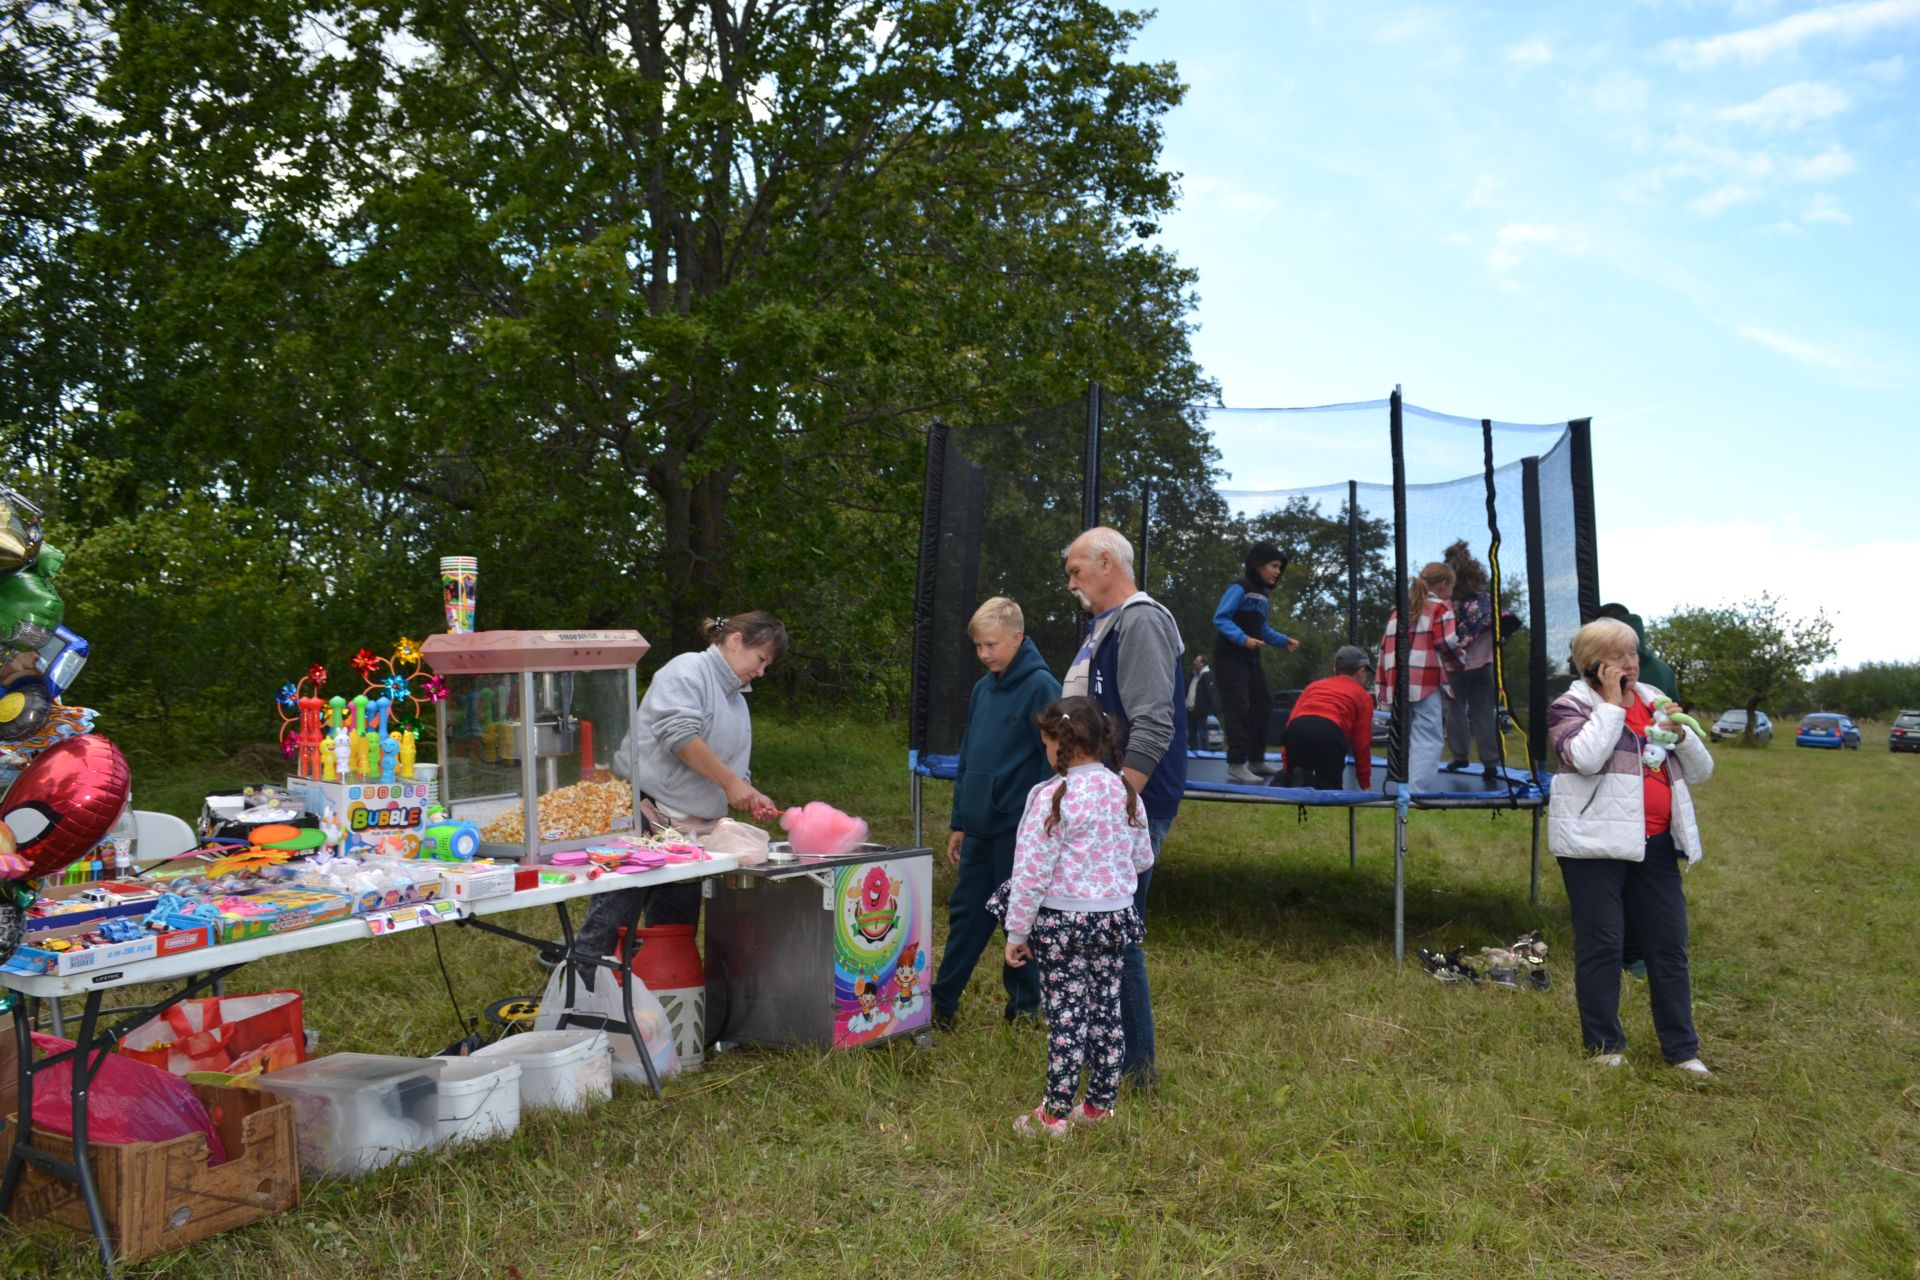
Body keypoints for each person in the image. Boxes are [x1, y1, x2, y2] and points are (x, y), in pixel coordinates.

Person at [1547, 618, 1714, 1075]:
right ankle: (1605, 1047)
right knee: (1602, 944)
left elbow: (1701, 771)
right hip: (1593, 846)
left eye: (1634, 653)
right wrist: (1611, 704)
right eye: (1619, 656)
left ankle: (1682, 1050)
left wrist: (1680, 734)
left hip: (1657, 844)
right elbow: (1584, 758)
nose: (1631, 663)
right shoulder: (1570, 707)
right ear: (1594, 664)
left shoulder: (1656, 703)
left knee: (1669, 945)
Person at [576, 613, 787, 959]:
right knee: (612, 923)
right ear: (735, 641)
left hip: (688, 833)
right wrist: (731, 783)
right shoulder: (687, 670)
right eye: (761, 659)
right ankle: (584, 995)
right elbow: (680, 737)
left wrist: (748, 793)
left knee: (674, 934)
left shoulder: (737, 702)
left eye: (767, 665)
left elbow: (731, 767)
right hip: (640, 812)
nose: (761, 672)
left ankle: (658, 1005)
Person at [994, 697, 1154, 1136]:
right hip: (1112, 921)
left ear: (1055, 743)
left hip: (1062, 924)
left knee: (1066, 1016)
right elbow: (1143, 858)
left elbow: (1030, 874)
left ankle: (1054, 1116)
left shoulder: (1051, 797)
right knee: (1106, 1012)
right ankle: (1099, 1107)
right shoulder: (1125, 792)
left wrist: (1016, 931)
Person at [1061, 526, 1183, 1091]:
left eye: (1076, 571)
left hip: (1131, 803)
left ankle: (1135, 1072)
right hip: (1104, 800)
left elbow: (1154, 722)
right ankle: (1105, 1054)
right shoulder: (1104, 626)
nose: (1072, 583)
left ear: (1107, 562)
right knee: (1098, 927)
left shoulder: (1141, 621)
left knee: (1116, 931)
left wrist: (1120, 797)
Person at [931, 597, 1056, 1029]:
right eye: (978, 647)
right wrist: (959, 821)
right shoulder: (984, 688)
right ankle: (941, 1004)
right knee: (966, 915)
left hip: (1017, 833)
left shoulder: (1041, 687)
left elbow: (1051, 762)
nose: (984, 654)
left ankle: (1023, 1010)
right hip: (978, 827)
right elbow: (968, 757)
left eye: (991, 645)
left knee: (1019, 921)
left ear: (1017, 638)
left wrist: (1041, 826)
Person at [1211, 542, 1300, 784]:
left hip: (1251, 659)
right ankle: (1236, 763)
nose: (1277, 572)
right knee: (1238, 707)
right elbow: (1221, 618)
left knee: (1263, 705)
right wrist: (1242, 639)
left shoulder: (1262, 595)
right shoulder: (1240, 588)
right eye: (1274, 566)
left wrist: (1283, 641)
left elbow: (1261, 628)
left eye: (1280, 567)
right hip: (1230, 658)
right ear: (1258, 565)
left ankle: (1256, 759)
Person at [1376, 562, 1465, 791]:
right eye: (1452, 586)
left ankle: (1397, 784)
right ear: (1444, 584)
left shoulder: (1398, 612)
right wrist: (1460, 659)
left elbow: (1384, 649)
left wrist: (1383, 686)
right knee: (1427, 734)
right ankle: (1416, 790)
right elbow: (1445, 641)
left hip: (1397, 680)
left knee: (1401, 735)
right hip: (1425, 680)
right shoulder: (1441, 608)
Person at [1440, 540, 1502, 778]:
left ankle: (1460, 757)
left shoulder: (1449, 604)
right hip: (1483, 663)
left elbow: (1449, 637)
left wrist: (1450, 647)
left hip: (1456, 665)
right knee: (1483, 712)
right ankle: (1490, 763)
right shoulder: (1484, 600)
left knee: (1456, 710)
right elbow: (1496, 625)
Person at [1278, 645, 1375, 791]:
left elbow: (1290, 722)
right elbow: (1361, 742)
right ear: (1361, 671)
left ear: (1335, 670)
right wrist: (1365, 783)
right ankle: (1311, 780)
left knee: (1295, 776)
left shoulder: (1314, 686)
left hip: (1297, 729)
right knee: (1330, 786)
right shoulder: (1363, 696)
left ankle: (1292, 777)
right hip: (1329, 731)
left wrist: (1287, 768)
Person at [1597, 603, 1679, 701]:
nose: (1630, 665)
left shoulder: (1586, 692)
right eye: (1618, 656)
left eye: (1633, 654)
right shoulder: (1664, 668)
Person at [1185, 655, 1220, 751]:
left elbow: (1212, 692)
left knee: (1203, 733)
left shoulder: (1208, 676)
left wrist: (1215, 708)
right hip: (1190, 709)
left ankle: (1205, 752)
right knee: (1192, 733)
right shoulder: (1193, 675)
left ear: (1202, 663)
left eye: (1196, 661)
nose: (1194, 662)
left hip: (1201, 709)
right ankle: (1193, 750)